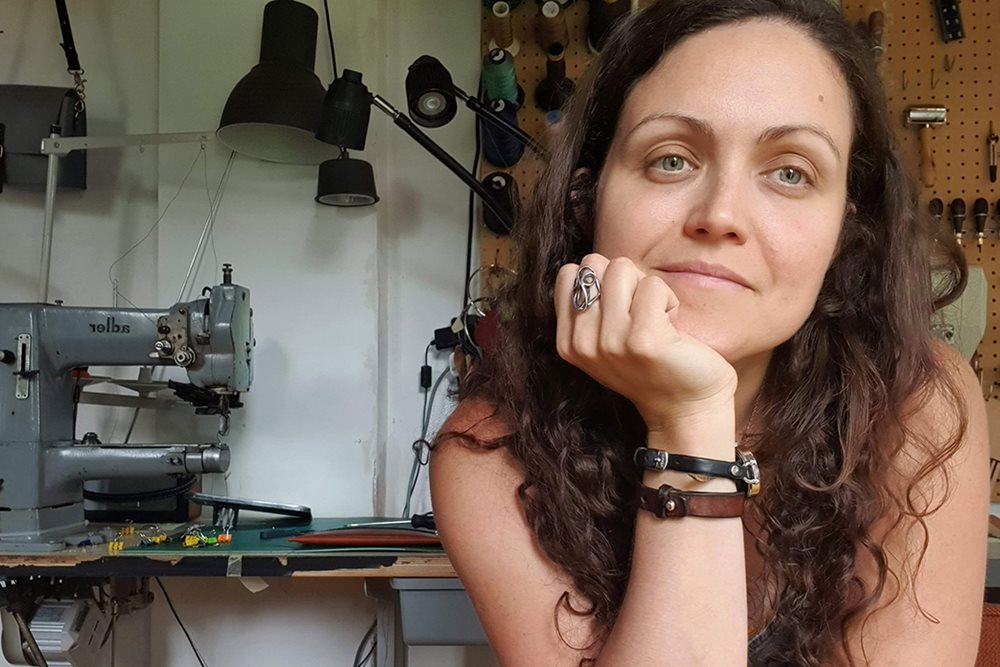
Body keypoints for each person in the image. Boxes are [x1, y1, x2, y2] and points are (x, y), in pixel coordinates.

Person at [429, 1, 989, 665]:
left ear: (846, 232)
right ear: (588, 199)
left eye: (790, 172)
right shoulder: (493, 451)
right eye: (671, 159)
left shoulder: (917, 404)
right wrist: (687, 426)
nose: (720, 214)